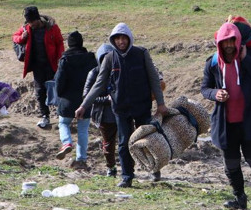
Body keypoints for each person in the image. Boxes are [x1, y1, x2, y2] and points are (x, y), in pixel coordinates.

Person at [75, 23, 168, 188]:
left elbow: (154, 79)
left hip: (141, 106)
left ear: (129, 38)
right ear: (113, 40)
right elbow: (98, 84)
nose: (120, 41)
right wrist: (84, 106)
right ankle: (127, 176)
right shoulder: (110, 58)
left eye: (123, 38)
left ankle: (155, 170)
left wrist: (161, 104)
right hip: (120, 108)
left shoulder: (141, 54)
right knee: (124, 142)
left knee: (147, 140)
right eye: (117, 38)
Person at [201, 22, 251, 210]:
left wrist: (247, 59)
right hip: (226, 123)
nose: (229, 45)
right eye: (225, 42)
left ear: (238, 40)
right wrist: (215, 94)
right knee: (231, 164)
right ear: (220, 44)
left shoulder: (250, 56)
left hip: (250, 119)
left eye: (232, 41)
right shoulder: (213, 63)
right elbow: (204, 88)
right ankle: (240, 197)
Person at [12, 6, 65, 129]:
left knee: (57, 89)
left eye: (32, 22)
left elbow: (59, 42)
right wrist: (22, 37)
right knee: (40, 91)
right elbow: (15, 37)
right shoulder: (26, 28)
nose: (31, 24)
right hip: (37, 66)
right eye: (29, 22)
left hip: (52, 64)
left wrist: (60, 59)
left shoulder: (52, 28)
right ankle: (45, 116)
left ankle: (62, 114)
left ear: (37, 19)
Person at [54, 31, 97, 169]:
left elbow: (59, 81)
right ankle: (81, 159)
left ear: (69, 44)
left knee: (63, 123)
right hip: (86, 100)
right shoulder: (91, 59)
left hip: (68, 100)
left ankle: (66, 142)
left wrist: (59, 95)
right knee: (83, 130)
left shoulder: (65, 60)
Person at [83, 44, 119, 177]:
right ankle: (111, 167)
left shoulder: (119, 70)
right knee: (108, 144)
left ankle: (128, 168)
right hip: (104, 114)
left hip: (122, 112)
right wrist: (106, 100)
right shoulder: (94, 73)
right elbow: (86, 95)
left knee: (126, 141)